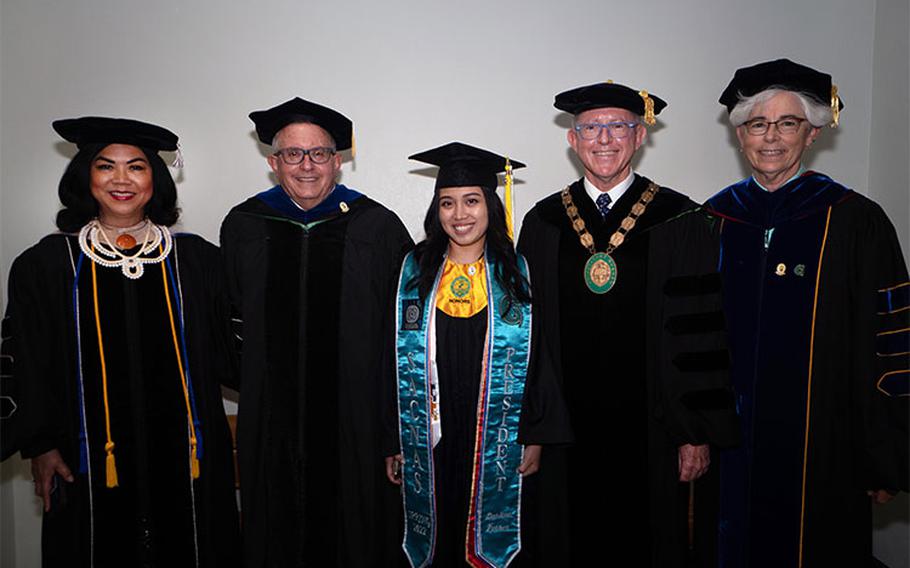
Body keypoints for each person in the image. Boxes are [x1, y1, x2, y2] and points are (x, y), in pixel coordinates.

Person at [0, 117, 240, 567]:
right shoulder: (48, 265)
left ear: (156, 179)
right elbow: (27, 362)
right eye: (106, 166)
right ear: (85, 176)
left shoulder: (197, 261)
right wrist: (41, 446)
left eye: (137, 167)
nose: (122, 180)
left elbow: (236, 350)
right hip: (85, 458)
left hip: (190, 460)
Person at [517, 82, 740, 567]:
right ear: (572, 141)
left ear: (640, 137)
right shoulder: (543, 222)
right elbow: (524, 339)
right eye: (591, 128)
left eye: (618, 126)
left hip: (654, 432)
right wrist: (531, 425)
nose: (604, 138)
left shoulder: (680, 219)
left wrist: (694, 432)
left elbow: (699, 335)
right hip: (563, 431)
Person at [705, 58, 909, 568]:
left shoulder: (857, 221)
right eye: (757, 124)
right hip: (727, 445)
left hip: (828, 445)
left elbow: (895, 342)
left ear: (813, 132)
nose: (771, 137)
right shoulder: (711, 220)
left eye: (787, 123)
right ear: (740, 136)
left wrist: (883, 454)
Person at [220, 97, 413, 567]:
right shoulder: (245, 225)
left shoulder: (378, 227)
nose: (306, 165)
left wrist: (393, 424)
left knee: (356, 534)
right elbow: (226, 322)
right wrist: (262, 388)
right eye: (293, 154)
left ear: (338, 160)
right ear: (273, 161)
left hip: (357, 423)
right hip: (271, 422)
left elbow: (407, 335)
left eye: (319, 153)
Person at [385, 142, 572, 568]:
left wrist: (537, 433)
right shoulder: (413, 272)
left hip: (496, 430)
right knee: (438, 527)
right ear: (437, 210)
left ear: (491, 205)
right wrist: (391, 437)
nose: (460, 214)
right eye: (447, 203)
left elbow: (541, 357)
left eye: (471, 201)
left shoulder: (517, 272)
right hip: (430, 431)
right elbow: (388, 361)